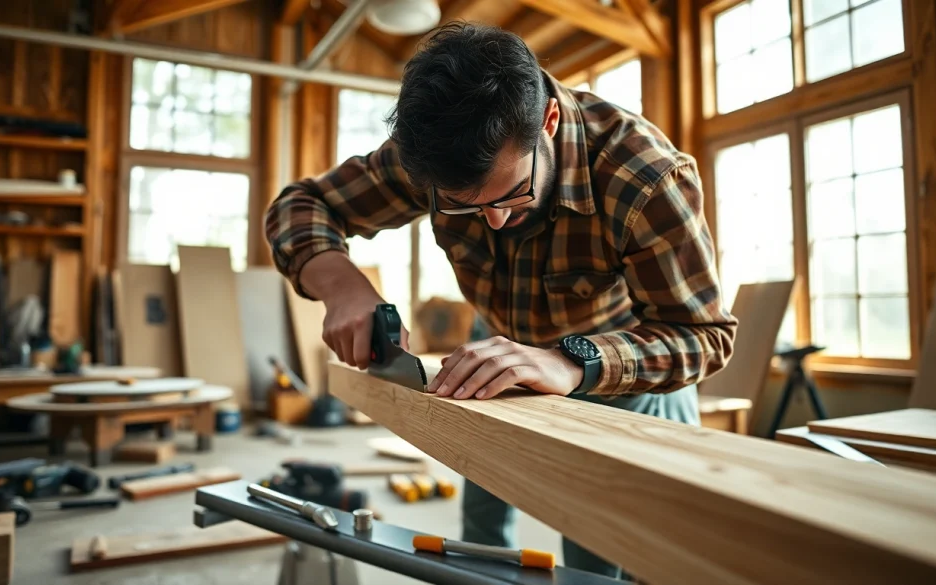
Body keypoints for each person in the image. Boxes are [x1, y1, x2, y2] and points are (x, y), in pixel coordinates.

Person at [265, 22, 737, 579]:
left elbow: (704, 336)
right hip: (498, 354)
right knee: (478, 542)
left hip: (625, 374)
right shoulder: (436, 155)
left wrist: (571, 361)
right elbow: (301, 205)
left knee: (601, 556)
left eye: (513, 194)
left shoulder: (645, 178)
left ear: (549, 122)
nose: (493, 220)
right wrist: (343, 286)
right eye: (464, 206)